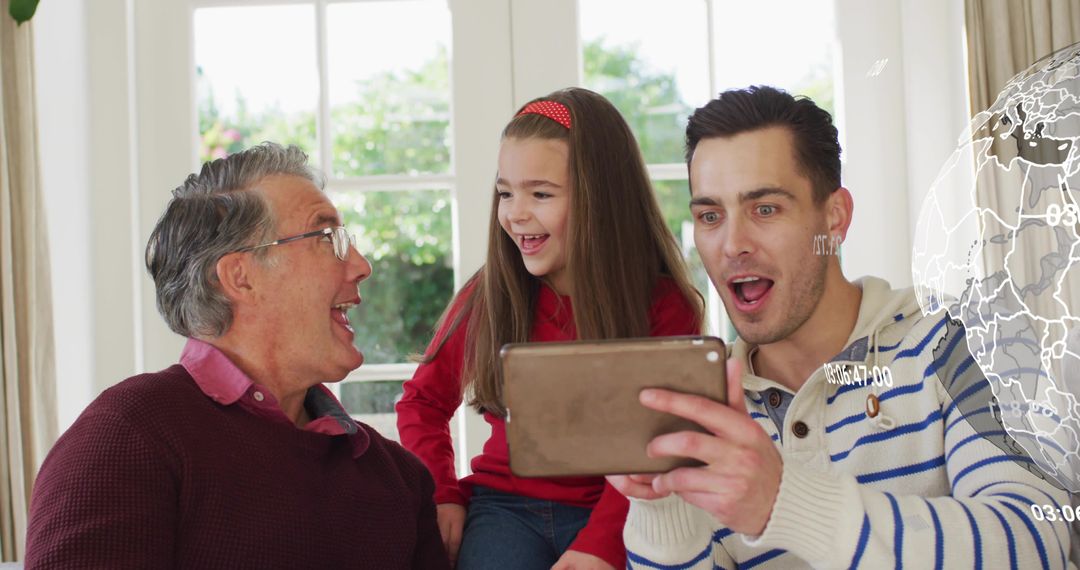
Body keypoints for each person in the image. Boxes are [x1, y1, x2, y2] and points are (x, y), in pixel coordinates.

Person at [608, 86, 1073, 568]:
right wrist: (661, 509)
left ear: (835, 218)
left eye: (765, 209)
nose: (732, 244)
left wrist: (784, 501)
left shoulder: (967, 340)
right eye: (710, 216)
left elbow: (1038, 543)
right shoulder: (706, 406)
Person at [25, 143, 449, 569]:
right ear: (240, 277)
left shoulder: (399, 479)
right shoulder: (128, 437)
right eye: (327, 239)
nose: (361, 265)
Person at [396, 87, 704, 570]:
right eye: (505, 192)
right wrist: (442, 494)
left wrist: (600, 544)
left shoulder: (664, 306)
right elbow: (422, 402)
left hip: (620, 509)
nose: (515, 213)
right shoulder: (491, 293)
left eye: (540, 194)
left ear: (601, 200)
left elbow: (660, 443)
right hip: (504, 509)